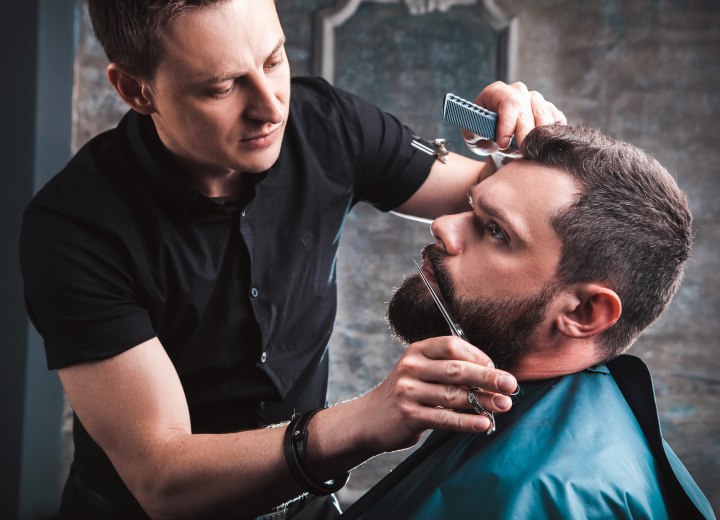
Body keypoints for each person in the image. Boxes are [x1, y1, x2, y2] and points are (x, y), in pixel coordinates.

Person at [18, 0, 568, 518]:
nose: (271, 106)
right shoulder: (76, 228)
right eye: (223, 86)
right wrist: (366, 421)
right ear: (136, 91)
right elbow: (163, 478)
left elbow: (480, 191)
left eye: (273, 59)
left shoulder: (326, 122)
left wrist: (519, 145)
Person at [339, 124, 715, 519]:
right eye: (471, 204)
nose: (443, 225)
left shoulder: (561, 497)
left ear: (583, 313)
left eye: (496, 230)